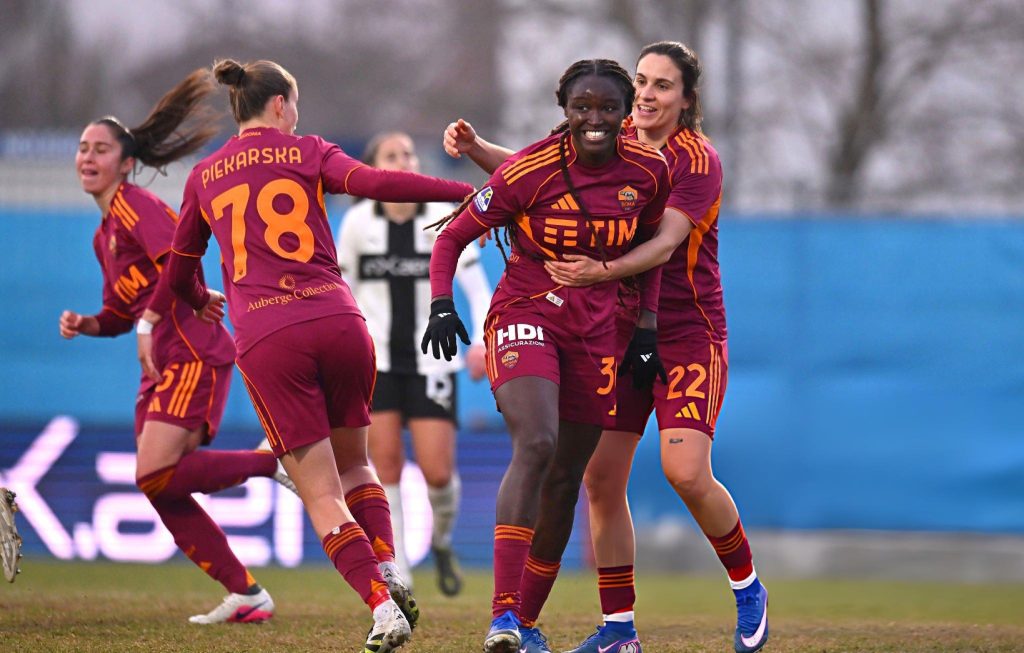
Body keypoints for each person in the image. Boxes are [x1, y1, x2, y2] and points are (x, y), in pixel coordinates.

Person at [443, 41, 769, 653]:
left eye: (663, 86)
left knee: (685, 470)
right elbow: (539, 174)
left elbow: (665, 244)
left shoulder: (695, 160)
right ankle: (618, 627)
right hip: (617, 329)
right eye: (641, 81)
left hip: (686, 333)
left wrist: (602, 270)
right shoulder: (613, 134)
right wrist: (481, 152)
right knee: (599, 480)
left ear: (687, 100)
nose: (646, 94)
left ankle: (747, 585)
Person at [164, 58, 476, 653]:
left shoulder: (204, 175)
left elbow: (179, 273)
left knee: (322, 492)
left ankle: (381, 605)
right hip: (340, 323)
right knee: (358, 467)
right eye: (296, 105)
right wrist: (468, 193)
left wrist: (200, 298)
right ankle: (388, 565)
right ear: (280, 104)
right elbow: (379, 185)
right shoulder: (307, 151)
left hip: (269, 338)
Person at [422, 58, 671, 653]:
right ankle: (502, 616)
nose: (594, 119)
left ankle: (526, 624)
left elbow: (653, 251)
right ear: (565, 110)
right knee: (537, 443)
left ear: (625, 114)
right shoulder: (529, 169)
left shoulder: (649, 172)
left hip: (597, 333)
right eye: (582, 107)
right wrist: (441, 305)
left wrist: (645, 329)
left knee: (565, 480)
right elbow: (452, 236)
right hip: (525, 313)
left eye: (607, 108)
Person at [59, 69, 297, 624]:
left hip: (193, 350)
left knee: (156, 474)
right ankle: (246, 592)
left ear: (126, 163)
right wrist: (88, 323)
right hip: (163, 362)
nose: (88, 157)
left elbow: (180, 261)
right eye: (83, 148)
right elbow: (121, 314)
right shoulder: (104, 233)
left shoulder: (136, 206)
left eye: (100, 149)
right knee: (160, 485)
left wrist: (158, 315)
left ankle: (272, 461)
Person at [337, 131, 491, 597]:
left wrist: (482, 341)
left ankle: (441, 540)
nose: (404, 161)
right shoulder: (358, 222)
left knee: (438, 472)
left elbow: (477, 287)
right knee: (385, 466)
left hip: (433, 362)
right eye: (392, 155)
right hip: (378, 362)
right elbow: (341, 290)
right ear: (374, 168)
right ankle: (399, 570)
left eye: (408, 154)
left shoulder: (441, 216)